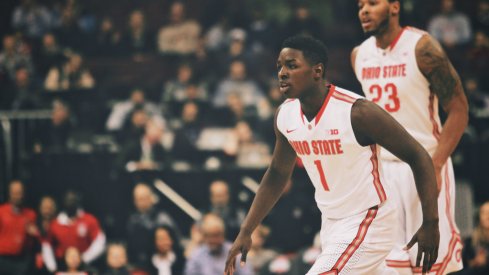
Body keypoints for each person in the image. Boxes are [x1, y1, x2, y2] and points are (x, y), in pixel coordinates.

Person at [225, 35, 440, 275]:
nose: (282, 73)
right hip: (331, 223)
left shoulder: (357, 112)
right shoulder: (285, 116)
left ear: (317, 71)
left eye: (292, 65)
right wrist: (246, 230)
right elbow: (276, 173)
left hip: (370, 219)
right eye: (280, 67)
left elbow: (418, 155)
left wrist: (431, 222)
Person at [352, 0, 469, 274]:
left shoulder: (423, 47)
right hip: (384, 172)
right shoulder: (359, 54)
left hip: (425, 163)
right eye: (360, 6)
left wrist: (437, 164)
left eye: (372, 3)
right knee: (391, 267)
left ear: (394, 7)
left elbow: (459, 110)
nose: (364, 11)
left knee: (431, 265)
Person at [185, 214, 253, 275]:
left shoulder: (235, 252)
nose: (213, 240)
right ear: (204, 236)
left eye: (216, 235)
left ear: (223, 234)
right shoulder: (196, 255)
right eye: (209, 236)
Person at [0, 180, 38, 275]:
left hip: (22, 262)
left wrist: (34, 234)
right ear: (9, 194)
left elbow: (36, 240)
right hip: (2, 260)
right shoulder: (1, 212)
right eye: (15, 193)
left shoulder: (31, 214)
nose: (18, 196)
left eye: (20, 193)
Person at [460, 201, 489, 275]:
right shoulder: (471, 240)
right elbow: (465, 263)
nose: (487, 215)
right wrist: (474, 262)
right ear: (479, 217)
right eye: (484, 212)